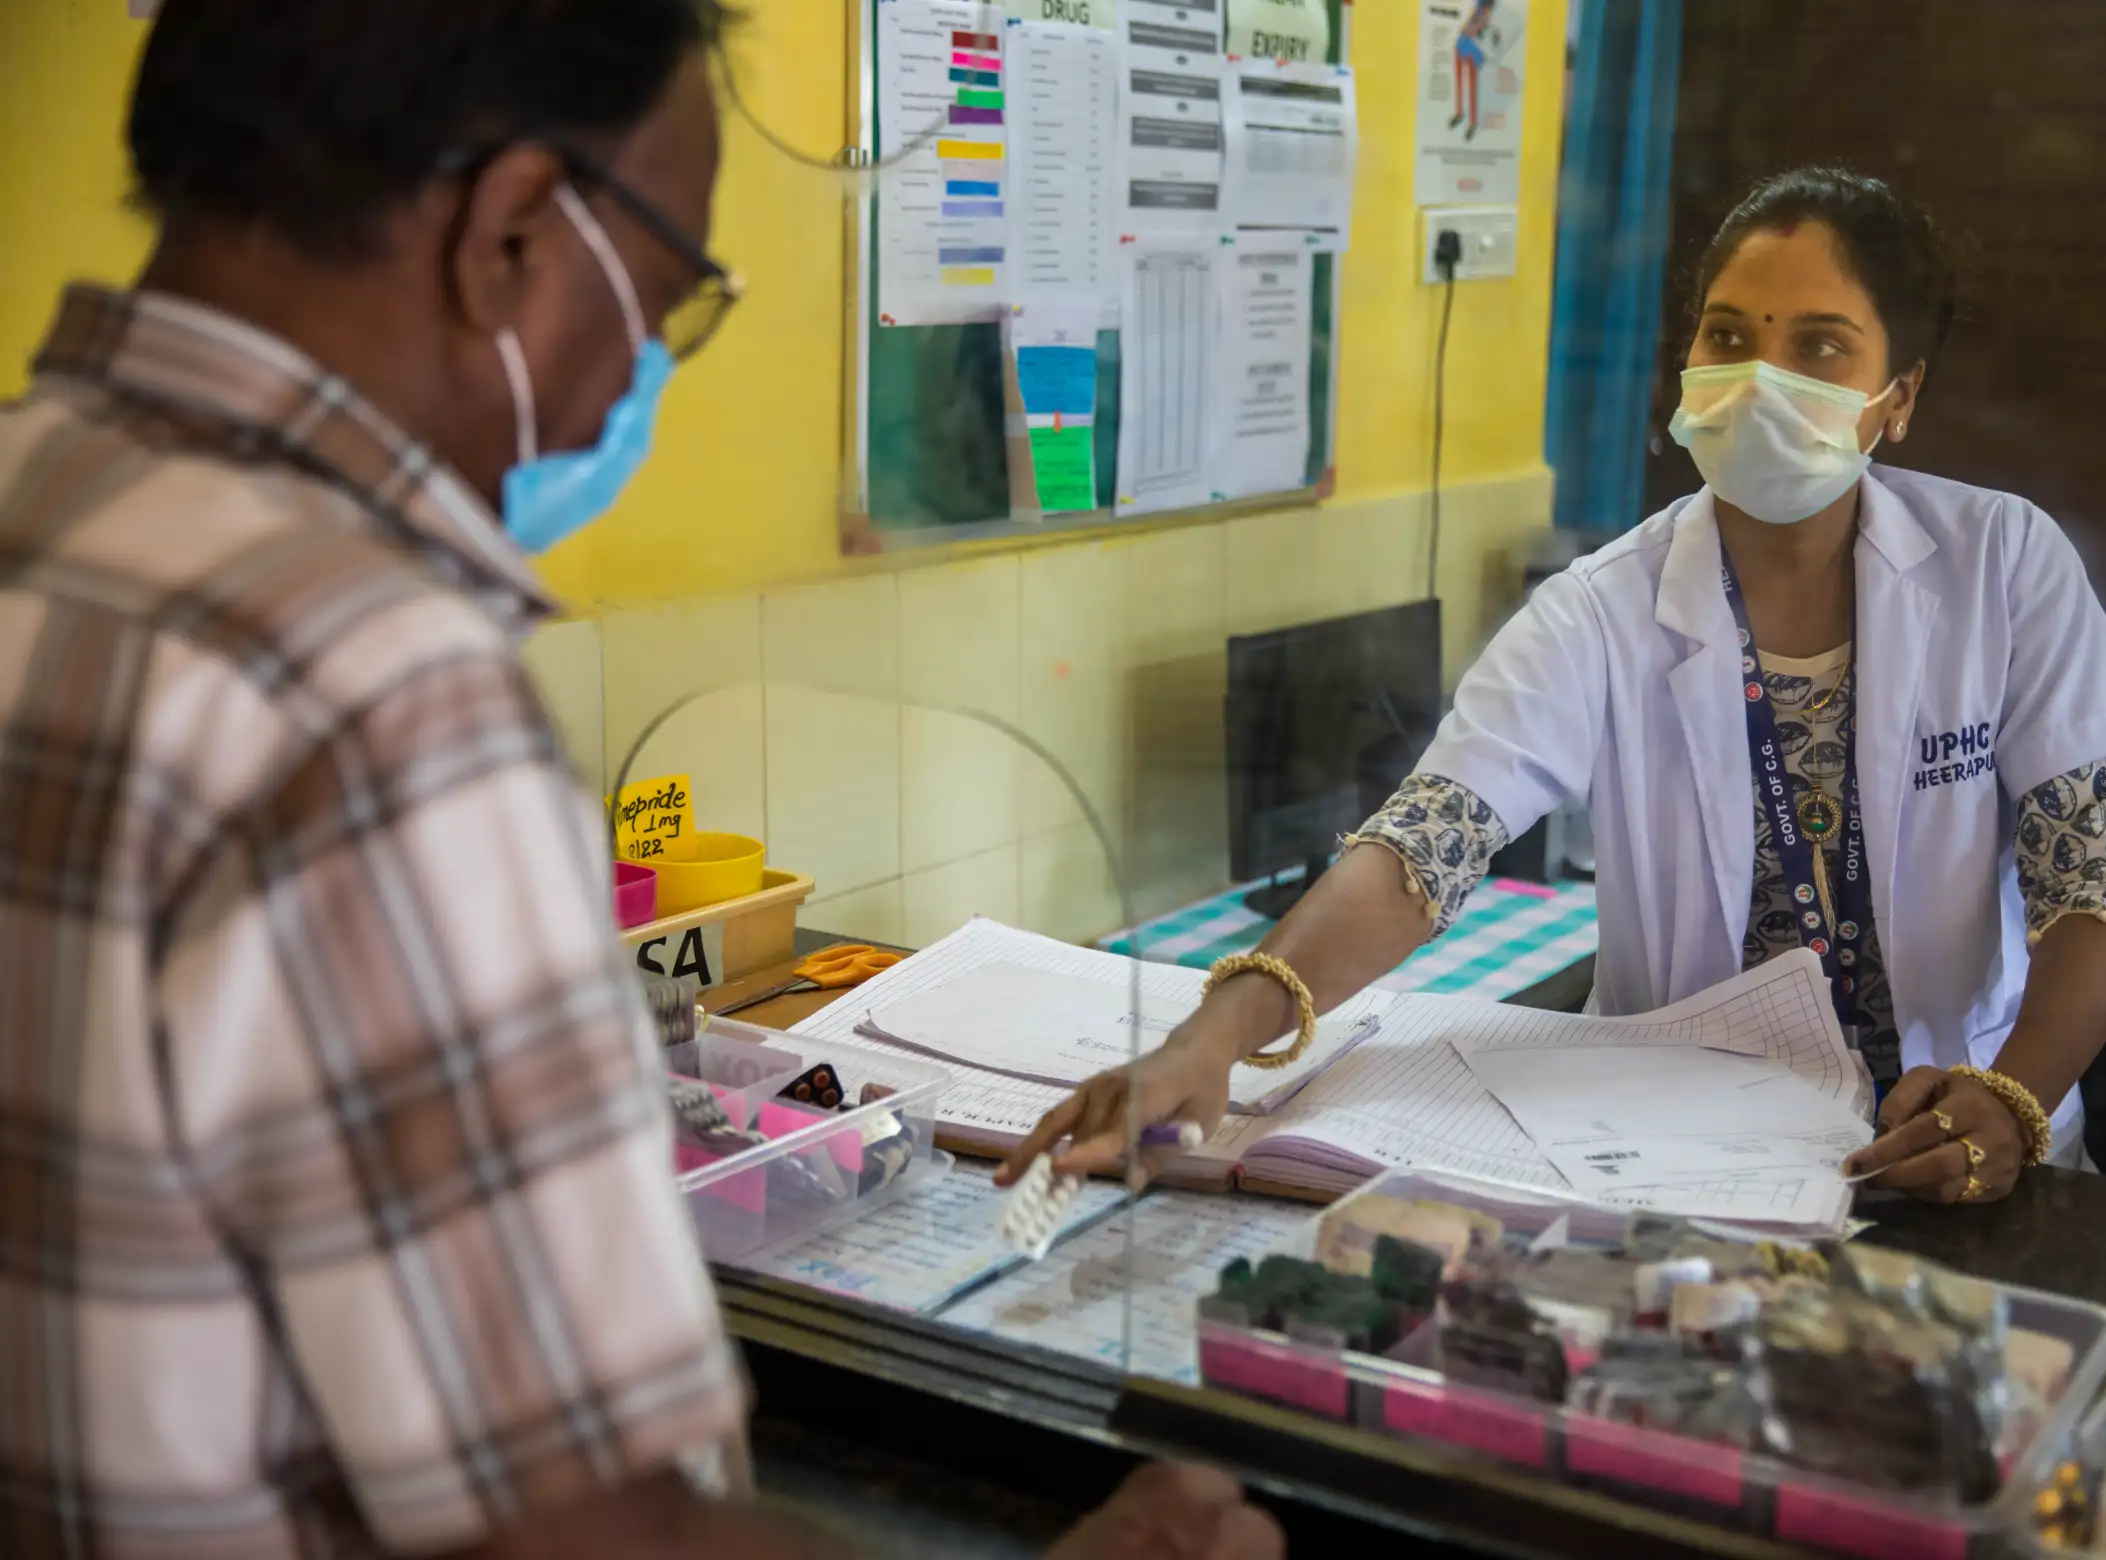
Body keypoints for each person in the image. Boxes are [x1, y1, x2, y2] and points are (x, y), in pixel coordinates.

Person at [0, 4, 1281, 1558]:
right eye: (669, 308)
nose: (631, 395)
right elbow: (568, 1532)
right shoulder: (373, 695)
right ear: (514, 228)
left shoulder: (40, 502)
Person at [1003, 167, 2106, 1209]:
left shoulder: (2000, 564)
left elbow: (2099, 881)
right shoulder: (1604, 605)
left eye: (1819, 347)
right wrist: (1214, 1036)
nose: (1761, 380)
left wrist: (2013, 1099)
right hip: (1677, 1161)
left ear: (1897, 397)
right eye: (1728, 336)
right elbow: (1429, 845)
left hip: (1955, 1150)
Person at [1448, 0, 1499, 140]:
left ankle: (1472, 122)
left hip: (1477, 40)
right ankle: (1459, 112)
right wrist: (1465, 28)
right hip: (1467, 35)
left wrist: (1473, 30)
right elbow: (1475, 13)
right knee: (1458, 62)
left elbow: (1486, 19)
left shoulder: (1489, 6)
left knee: (1471, 84)